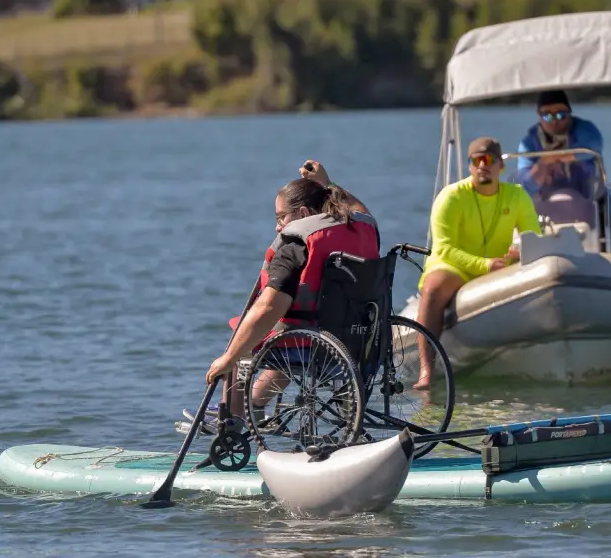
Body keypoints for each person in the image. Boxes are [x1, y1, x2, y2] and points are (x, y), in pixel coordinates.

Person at [205, 170, 380, 420]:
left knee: (246, 333)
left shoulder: (295, 246)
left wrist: (229, 358)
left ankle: (231, 423)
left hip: (313, 341)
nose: (278, 226)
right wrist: (327, 182)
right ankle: (254, 405)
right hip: (361, 340)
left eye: (281, 217)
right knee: (290, 333)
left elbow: (269, 308)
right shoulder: (363, 228)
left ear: (305, 214)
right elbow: (360, 209)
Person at [414, 137, 541, 389]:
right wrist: (484, 265)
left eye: (489, 159)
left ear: (500, 166)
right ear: (470, 166)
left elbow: (534, 237)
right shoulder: (450, 196)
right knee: (432, 289)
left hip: (499, 267)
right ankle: (426, 370)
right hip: (455, 266)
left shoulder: (516, 195)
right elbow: (444, 248)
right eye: (477, 160)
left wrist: (519, 250)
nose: (483, 165)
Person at [513, 90, 611, 253]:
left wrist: (557, 155)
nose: (554, 122)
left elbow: (591, 149)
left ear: (569, 114)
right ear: (539, 116)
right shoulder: (528, 143)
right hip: (545, 205)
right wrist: (544, 162)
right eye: (547, 116)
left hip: (589, 199)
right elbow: (526, 183)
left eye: (560, 115)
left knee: (608, 223)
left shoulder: (586, 130)